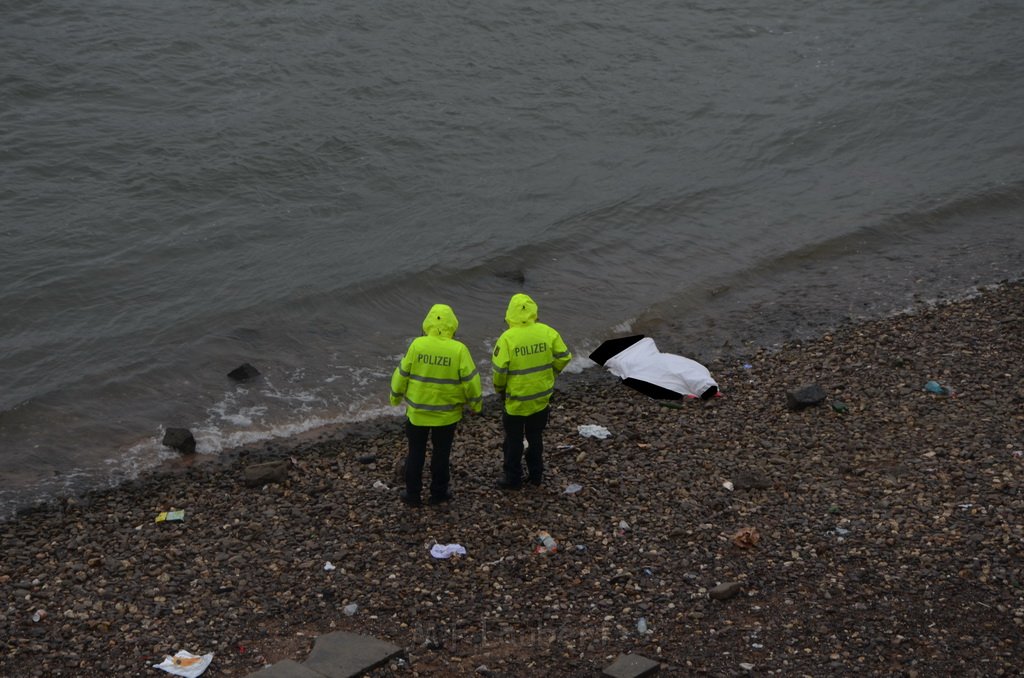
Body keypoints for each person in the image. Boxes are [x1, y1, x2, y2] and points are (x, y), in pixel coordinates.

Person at [390, 303, 482, 506]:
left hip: (418, 412)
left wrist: (395, 397)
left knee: (416, 452)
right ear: (453, 325)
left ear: (427, 324)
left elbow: (401, 374)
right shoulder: (458, 350)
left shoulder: (417, 345)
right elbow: (472, 381)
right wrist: (476, 405)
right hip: (446, 415)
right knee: (441, 453)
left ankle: (412, 495)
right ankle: (438, 493)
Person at [491, 293, 572, 489]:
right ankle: (536, 474)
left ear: (510, 313)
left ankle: (513, 478)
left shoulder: (507, 338)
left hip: (516, 399)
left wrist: (500, 389)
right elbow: (564, 357)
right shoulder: (547, 332)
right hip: (541, 397)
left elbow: (500, 371)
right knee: (535, 436)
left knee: (513, 440)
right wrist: (551, 374)